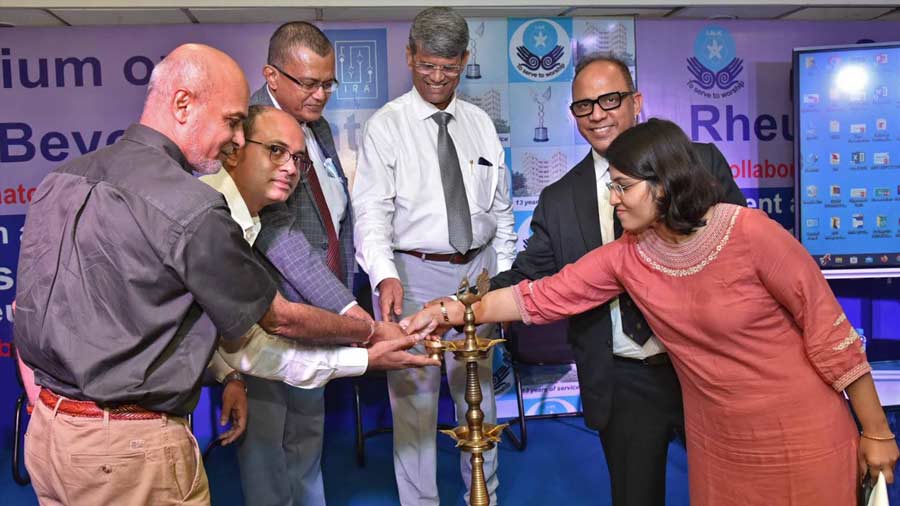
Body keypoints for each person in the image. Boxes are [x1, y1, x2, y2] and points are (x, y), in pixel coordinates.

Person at [13, 44, 429, 506]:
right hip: (130, 450)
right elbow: (269, 332)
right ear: (183, 104)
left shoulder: (64, 177)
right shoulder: (193, 208)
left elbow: (62, 313)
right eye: (232, 121)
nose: (234, 139)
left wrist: (52, 407)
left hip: (51, 439)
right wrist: (366, 351)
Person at [407, 118, 900, 506]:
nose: (612, 197)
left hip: (798, 433)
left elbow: (832, 336)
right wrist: (453, 309)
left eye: (622, 186)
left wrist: (876, 432)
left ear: (662, 186)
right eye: (611, 185)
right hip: (721, 444)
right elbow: (539, 295)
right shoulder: (628, 254)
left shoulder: (751, 234)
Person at [485, 53, 746, 506]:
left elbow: (743, 254)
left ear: (636, 101)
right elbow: (530, 277)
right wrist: (463, 302)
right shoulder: (560, 198)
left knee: (734, 493)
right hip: (623, 380)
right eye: (584, 105)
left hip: (705, 367)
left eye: (609, 99)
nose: (598, 114)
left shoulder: (699, 163)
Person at [352, 7, 515, 505]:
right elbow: (372, 213)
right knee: (415, 403)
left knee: (480, 397)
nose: (438, 78)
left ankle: (482, 497)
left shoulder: (481, 123)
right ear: (409, 57)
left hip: (479, 275)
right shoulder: (386, 126)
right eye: (427, 66)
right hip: (414, 274)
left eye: (449, 66)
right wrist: (383, 275)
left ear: (465, 60)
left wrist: (504, 273)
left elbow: (501, 209)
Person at [201, 105, 438, 445]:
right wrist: (367, 337)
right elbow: (279, 320)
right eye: (276, 151)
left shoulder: (246, 218)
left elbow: (250, 347)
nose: (290, 168)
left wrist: (230, 374)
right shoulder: (212, 215)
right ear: (235, 148)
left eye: (298, 158)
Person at [238, 22, 364, 506]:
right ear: (272, 74)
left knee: (308, 430)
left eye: (328, 83)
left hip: (323, 306)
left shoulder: (319, 126)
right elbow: (278, 233)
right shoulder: (250, 130)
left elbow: (336, 209)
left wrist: (342, 298)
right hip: (274, 312)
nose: (320, 95)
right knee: (267, 442)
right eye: (308, 83)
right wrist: (349, 311)